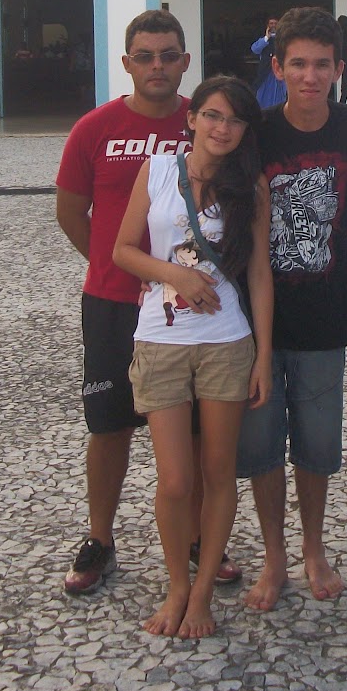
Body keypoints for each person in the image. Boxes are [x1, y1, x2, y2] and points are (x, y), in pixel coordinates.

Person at [113, 75, 274, 638]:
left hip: (226, 343)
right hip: (159, 339)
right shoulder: (157, 171)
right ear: (191, 118)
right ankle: (175, 585)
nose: (221, 128)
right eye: (211, 115)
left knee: (218, 470)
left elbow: (259, 276)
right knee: (176, 480)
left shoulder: (251, 188)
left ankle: (201, 591)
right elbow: (123, 249)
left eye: (233, 119)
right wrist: (175, 272)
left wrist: (262, 356)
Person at [54, 9, 196, 597]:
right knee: (109, 424)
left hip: (187, 306)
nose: (157, 66)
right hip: (112, 304)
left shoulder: (205, 121)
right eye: (145, 56)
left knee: (191, 429)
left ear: (185, 62)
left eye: (168, 56)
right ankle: (100, 536)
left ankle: (193, 539)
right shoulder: (95, 128)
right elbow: (70, 211)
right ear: (127, 63)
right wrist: (115, 268)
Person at [237, 7, 347, 611]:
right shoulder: (255, 132)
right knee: (262, 443)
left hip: (326, 313)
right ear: (278, 68)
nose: (310, 77)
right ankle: (274, 555)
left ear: (338, 69)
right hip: (255, 321)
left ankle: (314, 546)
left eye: (321, 65)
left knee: (316, 445)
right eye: (298, 65)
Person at [251, 17, 287, 108]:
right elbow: (255, 49)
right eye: (271, 23)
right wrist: (267, 37)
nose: (273, 25)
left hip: (279, 75)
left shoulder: (283, 40)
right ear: (267, 26)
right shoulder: (263, 40)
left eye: (275, 23)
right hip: (265, 75)